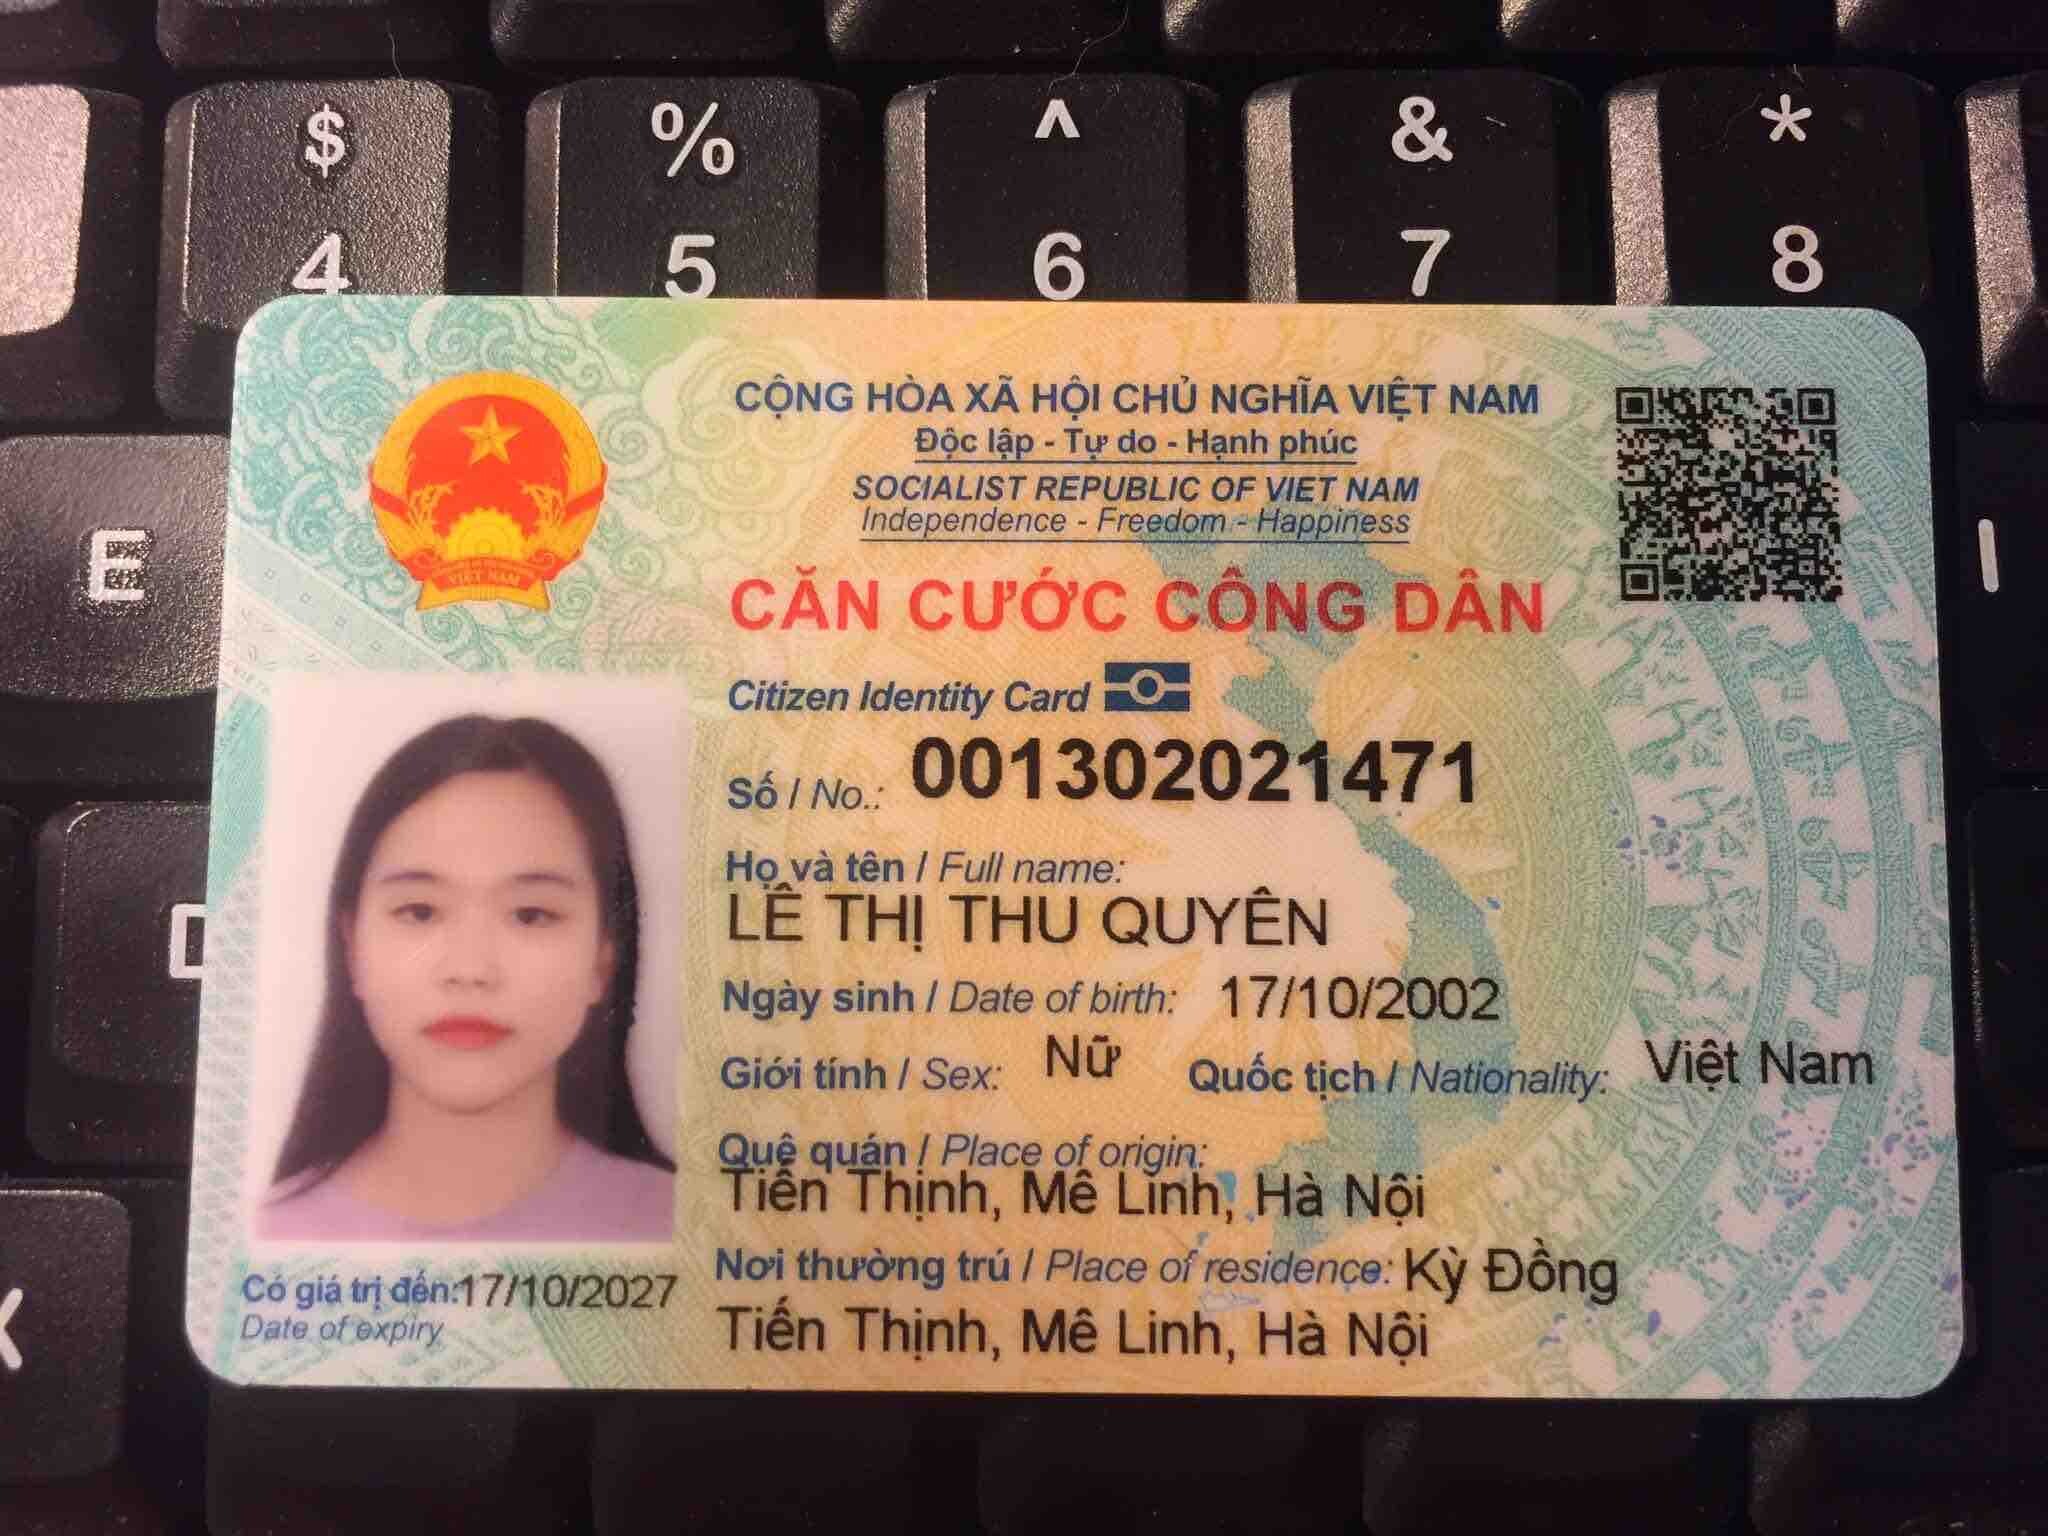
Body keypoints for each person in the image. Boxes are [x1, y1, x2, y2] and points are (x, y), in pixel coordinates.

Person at [258, 713, 675, 1242]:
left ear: (603, 960)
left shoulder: (688, 1228)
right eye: (420, 912)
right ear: (353, 947)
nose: (471, 970)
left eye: (531, 915)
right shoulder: (267, 1237)